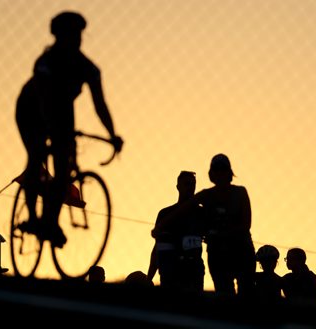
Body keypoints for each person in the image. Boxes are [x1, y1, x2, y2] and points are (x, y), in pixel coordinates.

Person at [15, 11, 123, 248]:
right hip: (31, 110)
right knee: (36, 155)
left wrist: (112, 134)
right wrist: (53, 133)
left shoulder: (88, 68)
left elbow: (99, 104)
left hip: (62, 112)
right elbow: (43, 101)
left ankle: (50, 222)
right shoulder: (45, 63)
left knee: (63, 170)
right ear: (57, 36)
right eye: (69, 34)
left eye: (77, 34)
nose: (75, 39)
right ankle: (34, 219)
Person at [153, 154, 256, 297]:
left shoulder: (240, 193)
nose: (220, 173)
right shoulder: (206, 196)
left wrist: (218, 235)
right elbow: (181, 210)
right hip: (218, 255)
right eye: (217, 169)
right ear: (211, 174)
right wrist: (160, 227)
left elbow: (246, 225)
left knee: (246, 295)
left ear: (229, 173)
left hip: (240, 252)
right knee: (225, 295)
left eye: (223, 169)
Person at [148, 171, 205, 293]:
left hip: (193, 271)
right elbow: (157, 247)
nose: (190, 187)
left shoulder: (201, 214)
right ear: (178, 187)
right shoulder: (165, 214)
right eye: (187, 184)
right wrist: (149, 278)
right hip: (170, 270)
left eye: (193, 184)